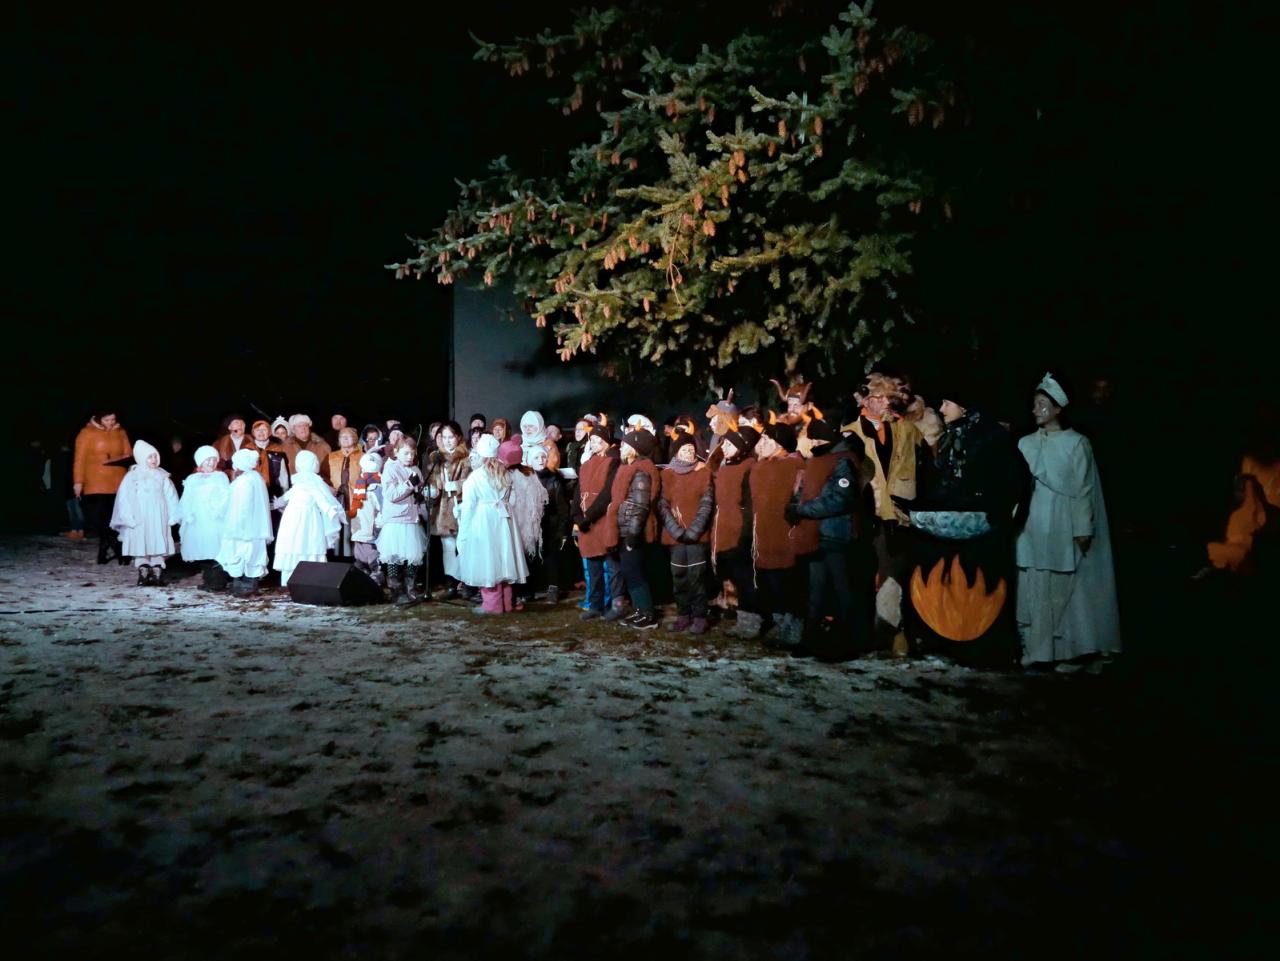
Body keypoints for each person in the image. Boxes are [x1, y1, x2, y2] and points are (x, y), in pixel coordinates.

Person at [1015, 373, 1121, 672]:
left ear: (1058, 408)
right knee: (1034, 583)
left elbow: (1084, 488)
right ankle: (1036, 649)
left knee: (1062, 589)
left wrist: (1083, 528)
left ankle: (1067, 650)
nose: (1036, 410)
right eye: (1035, 404)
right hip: (1033, 524)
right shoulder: (1026, 443)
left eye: (1042, 404)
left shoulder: (1076, 444)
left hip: (1061, 522)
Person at [842, 372, 928, 653]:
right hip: (864, 513)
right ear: (866, 400)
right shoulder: (851, 432)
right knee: (863, 575)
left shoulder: (907, 431)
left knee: (894, 576)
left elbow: (925, 468)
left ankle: (892, 633)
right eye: (877, 397)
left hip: (897, 515)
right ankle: (864, 632)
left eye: (887, 397)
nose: (884, 403)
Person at [786, 420, 876, 661]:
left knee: (841, 590)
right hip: (817, 534)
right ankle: (811, 639)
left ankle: (846, 643)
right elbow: (804, 491)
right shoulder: (818, 460)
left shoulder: (842, 461)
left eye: (817, 439)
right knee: (815, 590)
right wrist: (795, 505)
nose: (813, 443)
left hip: (836, 534)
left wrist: (801, 509)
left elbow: (840, 499)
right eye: (812, 439)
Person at [456, 434, 529, 614]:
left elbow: (469, 507)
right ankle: (507, 603)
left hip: (484, 521)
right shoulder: (506, 474)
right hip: (504, 520)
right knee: (504, 559)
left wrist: (463, 533)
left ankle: (492, 605)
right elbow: (513, 499)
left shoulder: (475, 477)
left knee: (487, 560)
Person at [750, 421, 805, 646]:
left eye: (766, 440)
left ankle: (793, 626)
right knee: (769, 581)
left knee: (786, 581)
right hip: (763, 533)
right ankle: (777, 622)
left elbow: (798, 499)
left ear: (780, 443)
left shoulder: (794, 466)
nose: (761, 444)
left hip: (785, 533)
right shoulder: (761, 466)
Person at [656, 430, 715, 633]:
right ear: (676, 452)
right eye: (684, 450)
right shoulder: (667, 474)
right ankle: (683, 615)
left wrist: (694, 531)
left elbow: (706, 503)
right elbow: (663, 504)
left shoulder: (703, 472)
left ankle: (699, 617)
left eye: (691, 449)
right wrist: (676, 530)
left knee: (696, 577)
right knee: (679, 576)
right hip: (676, 536)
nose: (689, 453)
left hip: (696, 536)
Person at [609, 426, 662, 630]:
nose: (621, 447)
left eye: (625, 444)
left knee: (635, 572)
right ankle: (640, 610)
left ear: (634, 448)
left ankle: (648, 615)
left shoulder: (640, 473)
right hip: (625, 529)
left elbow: (640, 506)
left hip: (632, 531)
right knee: (630, 572)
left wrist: (632, 534)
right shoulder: (628, 468)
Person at [110, 440, 181, 586]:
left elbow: (171, 496)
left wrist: (173, 514)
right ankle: (143, 570)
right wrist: (127, 516)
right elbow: (125, 497)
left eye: (155, 456)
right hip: (140, 516)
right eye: (150, 457)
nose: (153, 460)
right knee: (141, 541)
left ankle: (156, 570)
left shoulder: (162, 476)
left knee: (156, 539)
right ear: (141, 458)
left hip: (158, 516)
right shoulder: (133, 476)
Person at [713, 426, 760, 637]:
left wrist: (746, 532)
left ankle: (750, 620)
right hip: (723, 527)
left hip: (739, 528)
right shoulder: (725, 467)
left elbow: (749, 503)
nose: (724, 447)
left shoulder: (748, 467)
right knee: (729, 572)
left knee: (744, 576)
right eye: (723, 443)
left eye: (729, 444)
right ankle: (733, 610)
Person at [573, 420, 622, 620]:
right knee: (593, 567)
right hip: (586, 522)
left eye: (597, 440)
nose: (593, 443)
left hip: (602, 520)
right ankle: (595, 605)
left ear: (606, 442)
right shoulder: (585, 465)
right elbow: (578, 492)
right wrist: (577, 516)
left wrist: (589, 516)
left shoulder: (613, 462)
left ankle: (615, 605)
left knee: (612, 566)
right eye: (591, 440)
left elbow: (607, 492)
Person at [273, 449, 343, 588]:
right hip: (300, 519)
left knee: (305, 544)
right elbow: (285, 498)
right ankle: (291, 580)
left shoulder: (311, 484)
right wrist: (275, 503)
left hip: (303, 518)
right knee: (299, 544)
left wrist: (329, 510)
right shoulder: (304, 484)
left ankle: (306, 580)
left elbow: (321, 500)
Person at [74, 409, 132, 564]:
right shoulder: (87, 433)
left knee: (114, 519)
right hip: (95, 482)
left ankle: (106, 547)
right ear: (99, 419)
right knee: (98, 519)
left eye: (113, 419)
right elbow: (79, 459)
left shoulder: (121, 432)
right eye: (107, 420)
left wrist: (121, 460)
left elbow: (129, 453)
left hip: (117, 482)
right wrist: (78, 482)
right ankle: (115, 546)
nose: (110, 423)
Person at [376, 436, 430, 605]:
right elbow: (391, 495)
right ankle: (396, 589)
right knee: (394, 555)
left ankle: (410, 586)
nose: (410, 457)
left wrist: (422, 493)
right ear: (396, 452)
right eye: (406, 453)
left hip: (411, 518)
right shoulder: (390, 468)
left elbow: (419, 489)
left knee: (413, 555)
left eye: (412, 454)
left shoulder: (415, 469)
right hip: (396, 519)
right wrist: (408, 484)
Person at [216, 448, 274, 596]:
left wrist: (236, 525)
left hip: (243, 528)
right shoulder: (255, 478)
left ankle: (246, 585)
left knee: (242, 554)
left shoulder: (244, 482)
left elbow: (242, 506)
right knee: (251, 554)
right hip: (254, 528)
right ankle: (244, 584)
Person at [425, 421, 472, 599]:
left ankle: (468, 582)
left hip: (461, 507)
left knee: (464, 546)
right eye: (444, 437)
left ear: (458, 437)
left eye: (450, 437)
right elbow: (433, 481)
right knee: (448, 547)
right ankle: (451, 583)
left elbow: (472, 481)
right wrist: (432, 489)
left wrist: (458, 485)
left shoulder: (467, 458)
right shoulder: (436, 459)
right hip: (443, 509)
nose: (447, 441)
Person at [528, 444, 571, 603]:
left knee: (552, 556)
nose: (541, 460)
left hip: (550, 525)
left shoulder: (554, 479)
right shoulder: (526, 479)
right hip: (532, 526)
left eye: (543, 457)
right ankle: (533, 588)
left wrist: (562, 529)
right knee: (533, 556)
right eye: (536, 458)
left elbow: (562, 507)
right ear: (530, 461)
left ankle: (553, 588)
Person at [178, 445, 230, 566]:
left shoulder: (221, 477)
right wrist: (187, 513)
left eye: (214, 460)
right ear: (200, 461)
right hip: (198, 515)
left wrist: (220, 510)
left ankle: (217, 563)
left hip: (215, 515)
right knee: (199, 539)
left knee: (215, 539)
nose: (211, 463)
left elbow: (226, 496)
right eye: (208, 460)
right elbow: (186, 498)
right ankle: (201, 562)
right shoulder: (192, 479)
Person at [325, 427, 364, 558]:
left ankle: (353, 557)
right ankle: (335, 557)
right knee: (337, 526)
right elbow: (323, 475)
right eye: (342, 436)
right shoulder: (331, 456)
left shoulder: (362, 456)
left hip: (355, 497)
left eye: (349, 436)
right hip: (336, 496)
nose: (345, 438)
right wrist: (328, 487)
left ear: (355, 439)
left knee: (353, 528)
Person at [247, 419, 290, 534]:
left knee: (275, 527)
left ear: (270, 432)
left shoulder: (278, 450)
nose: (261, 432)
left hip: (272, 495)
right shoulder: (247, 450)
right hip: (253, 494)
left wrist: (283, 496)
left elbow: (283, 476)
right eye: (258, 430)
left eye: (264, 429)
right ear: (253, 432)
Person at [349, 451, 384, 585]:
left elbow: (382, 507)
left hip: (371, 529)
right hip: (359, 527)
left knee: (372, 555)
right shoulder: (360, 483)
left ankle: (376, 578)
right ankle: (361, 577)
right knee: (359, 555)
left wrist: (379, 524)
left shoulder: (378, 487)